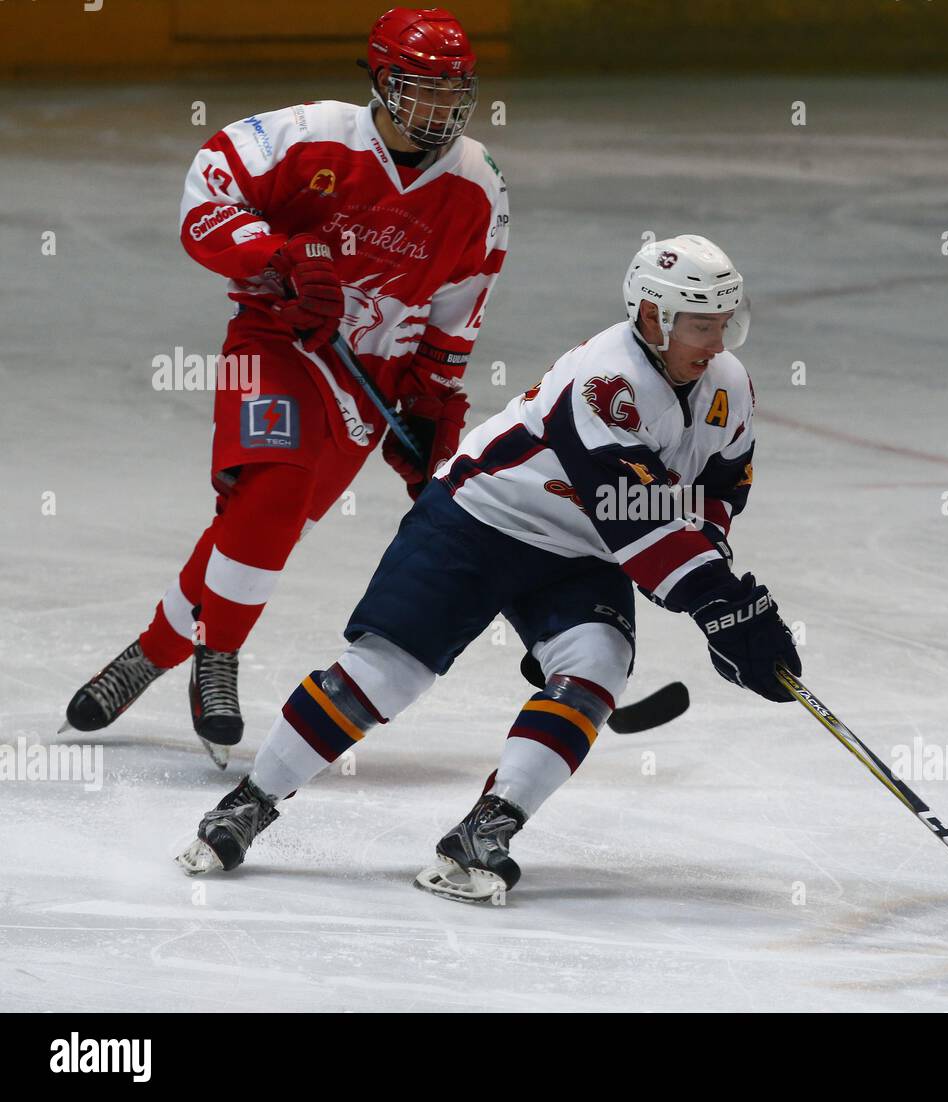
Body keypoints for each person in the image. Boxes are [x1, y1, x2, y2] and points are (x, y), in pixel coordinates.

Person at [177, 234, 801, 899]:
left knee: (595, 665)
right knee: (389, 675)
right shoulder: (606, 380)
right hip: (478, 522)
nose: (718, 341)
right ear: (653, 318)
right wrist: (715, 600)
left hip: (580, 553)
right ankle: (250, 801)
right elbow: (640, 520)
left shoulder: (727, 385)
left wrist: (721, 593)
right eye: (702, 325)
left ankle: (485, 830)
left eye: (725, 322)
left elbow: (716, 489)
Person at [62, 8, 509, 766]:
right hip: (273, 344)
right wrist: (277, 260)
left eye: (451, 91)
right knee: (273, 489)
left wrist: (434, 401)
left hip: (368, 382)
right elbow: (206, 194)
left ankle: (152, 651)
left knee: (258, 531)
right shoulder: (311, 136)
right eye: (420, 88)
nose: (438, 109)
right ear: (378, 79)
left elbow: (459, 309)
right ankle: (220, 660)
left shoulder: (478, 187)